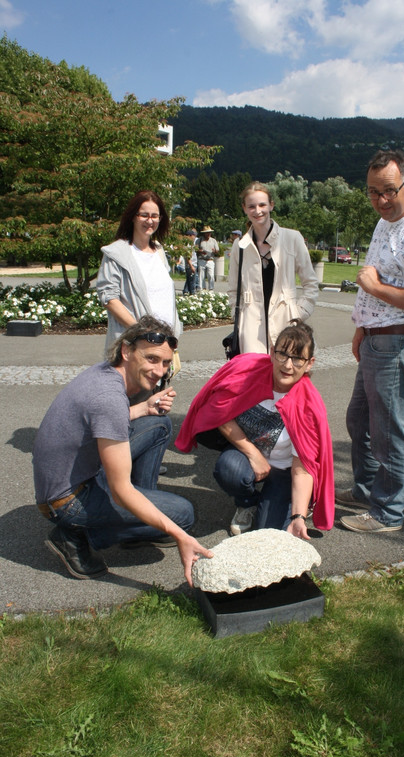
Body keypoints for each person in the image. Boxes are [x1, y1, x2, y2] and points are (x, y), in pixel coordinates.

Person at [32, 315, 212, 585]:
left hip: (71, 476)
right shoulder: (109, 398)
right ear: (127, 351)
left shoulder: (105, 374)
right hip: (65, 501)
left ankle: (139, 514)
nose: (160, 371)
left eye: (165, 362)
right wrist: (180, 535)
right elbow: (120, 490)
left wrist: (145, 407)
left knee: (159, 424)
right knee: (183, 515)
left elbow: (101, 422)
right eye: (151, 359)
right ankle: (73, 535)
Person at [337, 149, 404, 533]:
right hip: (378, 340)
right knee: (360, 421)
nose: (381, 200)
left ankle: (387, 512)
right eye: (373, 191)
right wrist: (362, 327)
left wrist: (375, 288)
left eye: (388, 190)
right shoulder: (387, 222)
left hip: (400, 345)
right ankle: (367, 491)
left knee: (388, 432)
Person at [175, 321, 334, 538]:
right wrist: (254, 455)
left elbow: (302, 469)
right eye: (283, 354)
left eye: (298, 358)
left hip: (284, 469)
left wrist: (298, 516)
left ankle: (278, 502)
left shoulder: (308, 407)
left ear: (309, 363)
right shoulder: (248, 374)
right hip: (247, 454)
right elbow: (219, 413)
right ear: (272, 353)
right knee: (230, 469)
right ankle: (246, 502)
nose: (288, 365)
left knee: (269, 533)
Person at [228, 182, 318, 353]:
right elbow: (233, 290)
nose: (257, 211)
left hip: (287, 323)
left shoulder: (292, 238)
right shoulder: (240, 246)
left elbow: (311, 283)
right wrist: (238, 316)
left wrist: (298, 313)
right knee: (254, 369)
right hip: (251, 329)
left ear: (271, 205)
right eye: (251, 206)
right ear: (244, 209)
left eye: (262, 205)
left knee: (286, 367)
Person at [97, 190, 182, 354]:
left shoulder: (159, 251)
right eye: (144, 215)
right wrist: (142, 332)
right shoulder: (116, 253)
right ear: (133, 217)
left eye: (155, 216)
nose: (150, 221)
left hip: (164, 344)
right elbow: (109, 299)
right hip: (134, 345)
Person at [196, 226, 219, 290]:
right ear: (204, 233)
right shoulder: (199, 240)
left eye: (209, 232)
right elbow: (195, 249)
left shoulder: (213, 240)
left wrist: (215, 251)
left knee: (211, 275)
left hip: (210, 259)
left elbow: (217, 250)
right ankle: (202, 288)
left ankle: (211, 289)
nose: (208, 234)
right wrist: (200, 251)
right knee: (201, 276)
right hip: (202, 259)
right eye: (207, 232)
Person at [182, 228, 197, 295]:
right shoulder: (188, 245)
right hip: (191, 265)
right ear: (190, 236)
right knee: (192, 281)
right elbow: (188, 257)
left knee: (189, 279)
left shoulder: (191, 244)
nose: (194, 237)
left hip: (192, 264)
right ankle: (192, 293)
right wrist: (191, 266)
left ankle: (185, 291)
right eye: (193, 235)